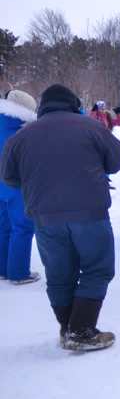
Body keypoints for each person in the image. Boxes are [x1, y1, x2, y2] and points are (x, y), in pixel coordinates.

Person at [1, 84, 120, 350]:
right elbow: (115, 161)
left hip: (45, 217)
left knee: (59, 273)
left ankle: (68, 328)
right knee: (97, 267)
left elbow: (9, 177)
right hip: (89, 212)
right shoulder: (91, 127)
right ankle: (80, 330)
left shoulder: (21, 136)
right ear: (73, 103)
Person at [0, 90, 39, 284]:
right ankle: (18, 272)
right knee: (22, 227)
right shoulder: (24, 130)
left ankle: (3, 268)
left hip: (1, 186)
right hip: (16, 184)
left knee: (4, 226)